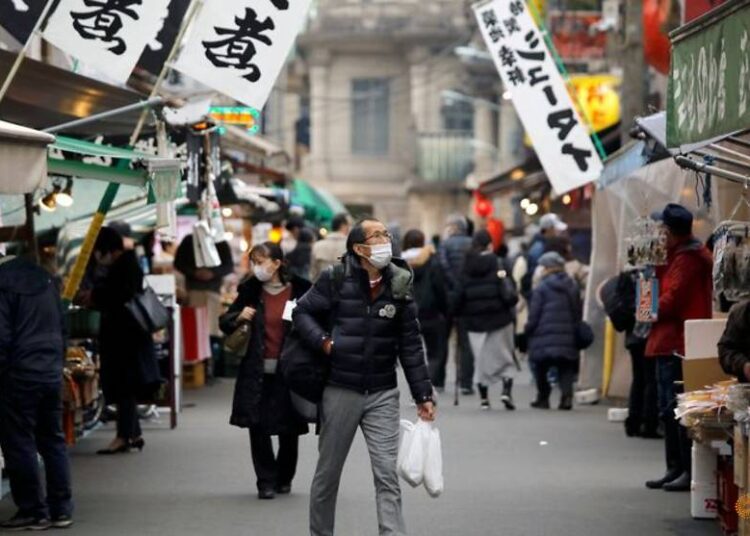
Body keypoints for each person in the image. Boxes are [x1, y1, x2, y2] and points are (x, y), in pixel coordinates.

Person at [294, 217, 436, 536]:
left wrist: (423, 394)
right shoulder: (334, 278)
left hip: (383, 391)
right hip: (340, 389)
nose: (387, 239)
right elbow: (302, 312)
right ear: (359, 248)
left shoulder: (399, 282)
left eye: (386, 233)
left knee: (387, 474)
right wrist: (324, 342)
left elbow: (410, 344)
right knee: (328, 475)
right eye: (378, 235)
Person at [220, 242, 310, 500]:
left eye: (261, 261)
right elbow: (225, 321)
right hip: (256, 369)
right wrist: (239, 317)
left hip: (291, 371)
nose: (257, 267)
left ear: (277, 263)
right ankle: (265, 481)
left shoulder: (302, 290)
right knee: (257, 427)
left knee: (289, 429)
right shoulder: (250, 291)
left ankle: (284, 478)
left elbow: (318, 322)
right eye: (254, 262)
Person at [0, 254, 74, 530]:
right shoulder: (46, 280)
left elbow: (2, 337)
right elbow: (62, 327)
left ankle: (33, 510)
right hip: (50, 370)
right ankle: (61, 508)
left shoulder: (3, 283)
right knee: (52, 439)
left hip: (19, 373)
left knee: (19, 442)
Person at [645, 204, 713, 492]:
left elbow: (671, 299)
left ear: (671, 233)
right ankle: (675, 467)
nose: (658, 235)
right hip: (670, 339)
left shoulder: (687, 259)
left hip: (678, 340)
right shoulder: (677, 256)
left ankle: (684, 468)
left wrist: (647, 308)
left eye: (661, 230)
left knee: (677, 407)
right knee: (669, 408)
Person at [89, 227, 161, 455]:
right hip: (131, 336)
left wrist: (94, 297)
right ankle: (134, 433)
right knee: (125, 386)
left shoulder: (123, 267)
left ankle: (123, 436)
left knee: (123, 386)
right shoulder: (130, 264)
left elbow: (118, 297)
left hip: (124, 337)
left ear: (107, 249)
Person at [455, 230, 519, 410]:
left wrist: (455, 313)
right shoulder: (498, 263)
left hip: (474, 321)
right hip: (500, 318)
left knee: (480, 359)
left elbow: (459, 293)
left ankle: (484, 398)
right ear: (490, 245)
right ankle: (506, 391)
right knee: (505, 357)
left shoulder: (466, 265)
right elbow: (510, 293)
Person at [599, 270, 659, 438]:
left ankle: (633, 421)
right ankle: (648, 423)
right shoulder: (648, 277)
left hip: (633, 336)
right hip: (645, 335)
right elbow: (646, 314)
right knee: (650, 380)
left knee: (639, 379)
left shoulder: (631, 276)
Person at [525, 252, 581, 411]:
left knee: (540, 365)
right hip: (567, 333)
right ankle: (566, 397)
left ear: (547, 267)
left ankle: (543, 397)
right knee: (565, 366)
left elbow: (534, 313)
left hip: (544, 335)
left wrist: (529, 329)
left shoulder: (541, 287)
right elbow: (577, 310)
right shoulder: (572, 285)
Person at [174, 233, 234, 373]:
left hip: (213, 292)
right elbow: (178, 263)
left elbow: (228, 266)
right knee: (194, 331)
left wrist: (213, 273)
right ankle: (197, 367)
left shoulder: (220, 242)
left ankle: (213, 368)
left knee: (213, 332)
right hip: (193, 291)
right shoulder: (189, 240)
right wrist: (194, 273)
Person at [402, 229, 449, 392]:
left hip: (407, 311)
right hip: (431, 311)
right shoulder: (432, 261)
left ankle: (416, 385)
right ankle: (432, 382)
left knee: (413, 352)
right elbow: (439, 287)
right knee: (435, 350)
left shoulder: (399, 262)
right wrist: (445, 309)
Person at [438, 214, 475, 395]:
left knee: (442, 340)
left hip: (447, 297)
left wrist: (453, 283)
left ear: (453, 227)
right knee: (465, 342)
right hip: (467, 298)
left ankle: (438, 380)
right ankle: (466, 382)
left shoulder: (445, 244)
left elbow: (443, 266)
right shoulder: (472, 243)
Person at [523, 213, 568, 299]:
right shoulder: (539, 248)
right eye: (556, 229)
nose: (559, 232)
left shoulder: (546, 244)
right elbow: (536, 275)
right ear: (548, 229)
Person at [311, 213, 350, 281]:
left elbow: (313, 273)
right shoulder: (351, 247)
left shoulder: (317, 245)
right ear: (343, 226)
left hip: (321, 287)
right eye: (349, 225)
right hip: (344, 288)